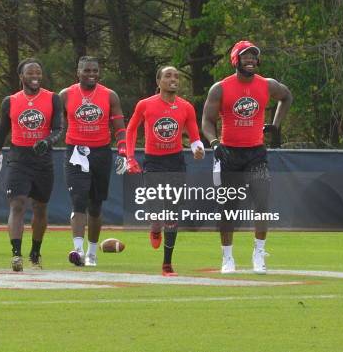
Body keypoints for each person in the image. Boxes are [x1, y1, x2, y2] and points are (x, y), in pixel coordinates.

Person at [202, 40, 292, 274]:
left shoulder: (266, 84)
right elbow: (207, 121)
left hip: (256, 153)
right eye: (246, 57)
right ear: (236, 60)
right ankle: (227, 257)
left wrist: (274, 125)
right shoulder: (220, 88)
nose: (251, 60)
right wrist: (214, 143)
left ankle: (259, 253)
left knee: (261, 203)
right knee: (228, 207)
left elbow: (286, 96)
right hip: (229, 153)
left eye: (254, 56)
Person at [0, 58, 62, 272]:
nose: (35, 77)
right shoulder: (10, 101)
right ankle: (16, 254)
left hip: (43, 160)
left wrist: (47, 141)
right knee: (17, 204)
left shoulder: (53, 99)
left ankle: (35, 252)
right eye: (30, 73)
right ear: (21, 77)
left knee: (40, 207)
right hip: (19, 159)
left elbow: (59, 129)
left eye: (38, 73)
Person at [125, 66, 205, 276]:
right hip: (153, 162)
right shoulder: (145, 104)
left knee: (172, 211)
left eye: (177, 76)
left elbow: (195, 135)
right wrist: (130, 157)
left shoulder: (186, 107)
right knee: (155, 208)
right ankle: (154, 226)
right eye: (168, 76)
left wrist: (198, 149)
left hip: (175, 162)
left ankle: (167, 264)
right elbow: (131, 129)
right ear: (158, 81)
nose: (173, 79)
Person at [60, 56, 128, 267]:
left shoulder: (109, 95)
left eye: (95, 71)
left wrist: (124, 151)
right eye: (87, 71)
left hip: (101, 152)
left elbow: (119, 125)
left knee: (95, 205)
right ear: (78, 72)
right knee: (78, 200)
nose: (91, 74)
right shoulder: (65, 95)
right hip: (76, 152)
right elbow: (58, 125)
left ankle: (91, 252)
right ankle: (78, 251)